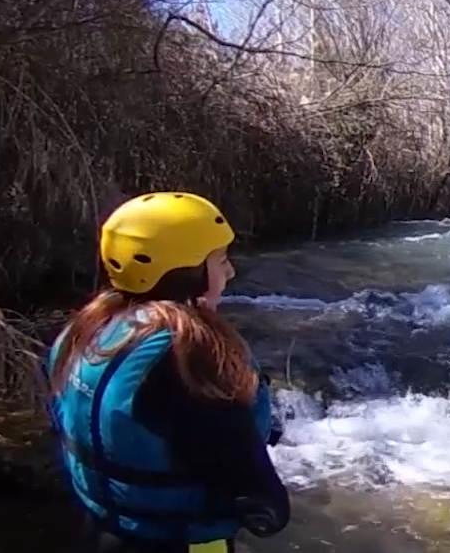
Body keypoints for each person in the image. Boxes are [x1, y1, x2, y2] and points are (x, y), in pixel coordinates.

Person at [45, 192, 289, 553]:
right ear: (187, 274)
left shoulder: (83, 331)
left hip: (102, 531)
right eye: (220, 260)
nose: (230, 271)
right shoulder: (190, 360)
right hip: (181, 541)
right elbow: (261, 498)